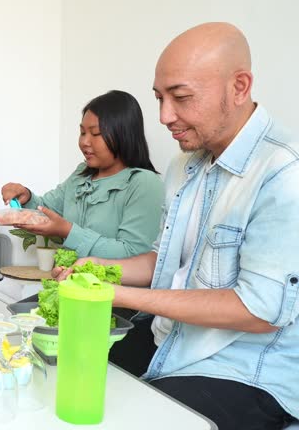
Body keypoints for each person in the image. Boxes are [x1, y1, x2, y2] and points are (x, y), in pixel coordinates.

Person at [54, 23, 298, 429]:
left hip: (248, 372)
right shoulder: (185, 165)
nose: (165, 116)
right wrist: (97, 268)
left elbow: (259, 310)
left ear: (239, 86)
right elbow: (166, 260)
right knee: (63, 370)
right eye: (159, 99)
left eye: (181, 98)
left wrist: (118, 295)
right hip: (171, 341)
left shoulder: (283, 173)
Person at [1, 90, 164, 259]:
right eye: (82, 132)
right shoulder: (81, 174)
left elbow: (134, 255)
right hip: (68, 283)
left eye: (96, 134)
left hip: (112, 286)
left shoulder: (144, 183)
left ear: (123, 134)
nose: (85, 142)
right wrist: (26, 197)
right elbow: (46, 210)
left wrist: (68, 231)